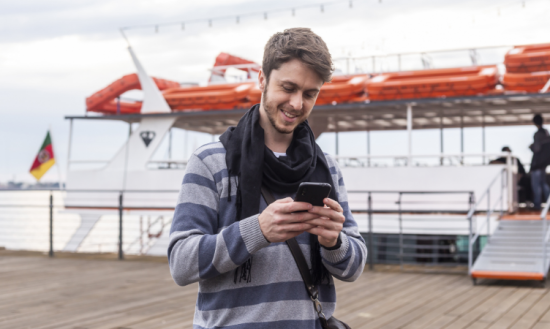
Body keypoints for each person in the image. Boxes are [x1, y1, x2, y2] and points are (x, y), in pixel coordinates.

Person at [168, 28, 366, 329]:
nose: (297, 104)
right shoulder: (210, 161)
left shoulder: (327, 167)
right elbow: (181, 264)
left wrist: (333, 241)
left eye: (310, 93)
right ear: (262, 79)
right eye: (288, 87)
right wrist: (256, 230)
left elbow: (354, 266)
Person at [529, 114, 550, 210]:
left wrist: (531, 147)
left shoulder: (538, 134)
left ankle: (537, 205)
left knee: (536, 185)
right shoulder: (546, 133)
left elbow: (537, 149)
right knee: (543, 184)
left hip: (537, 164)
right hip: (544, 164)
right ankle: (548, 203)